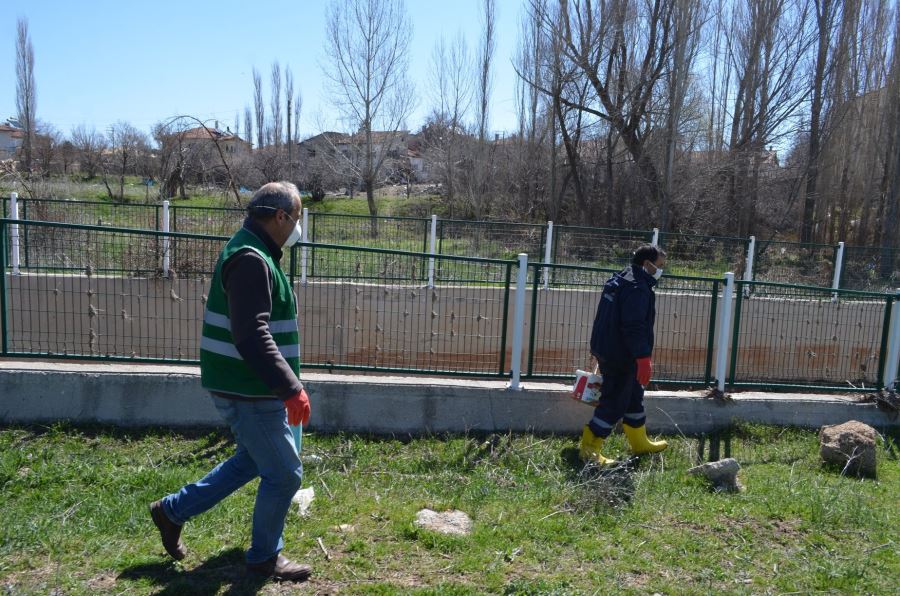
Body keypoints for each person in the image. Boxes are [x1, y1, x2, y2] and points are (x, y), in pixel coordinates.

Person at [149, 182, 313, 582]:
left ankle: (171, 511)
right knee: (285, 473)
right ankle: (263, 558)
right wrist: (291, 388)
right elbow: (251, 334)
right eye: (297, 216)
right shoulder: (251, 258)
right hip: (249, 388)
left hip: (246, 384)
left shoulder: (252, 251)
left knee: (252, 461)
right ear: (280, 217)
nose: (298, 226)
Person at [581, 244, 669, 465]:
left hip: (609, 348)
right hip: (621, 355)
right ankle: (589, 449)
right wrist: (642, 358)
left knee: (633, 398)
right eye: (659, 266)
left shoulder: (621, 278)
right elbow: (634, 326)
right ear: (646, 264)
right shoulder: (637, 288)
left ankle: (639, 442)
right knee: (615, 401)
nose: (661, 270)